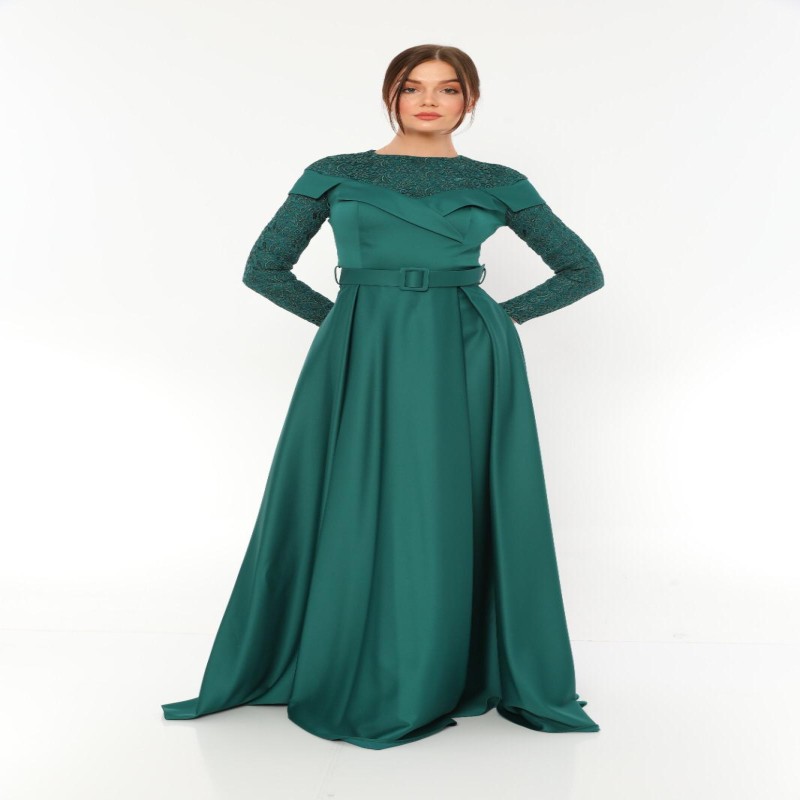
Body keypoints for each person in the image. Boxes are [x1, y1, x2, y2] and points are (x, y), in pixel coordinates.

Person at [161, 44, 605, 750]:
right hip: (357, 356)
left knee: (442, 499)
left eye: (448, 88)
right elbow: (264, 267)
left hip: (464, 357)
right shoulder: (336, 172)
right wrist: (346, 326)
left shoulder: (499, 181)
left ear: (470, 101)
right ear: (390, 95)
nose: (429, 100)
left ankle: (441, 664)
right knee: (349, 493)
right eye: (412, 86)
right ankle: (345, 656)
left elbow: (582, 269)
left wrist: (500, 319)